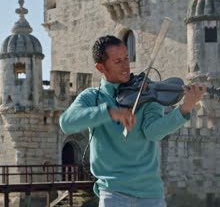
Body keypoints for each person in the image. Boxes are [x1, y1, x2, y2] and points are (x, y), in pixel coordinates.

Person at [59, 35, 206, 207]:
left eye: (127, 58)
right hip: (113, 194)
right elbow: (66, 123)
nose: (126, 66)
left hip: (151, 194)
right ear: (101, 67)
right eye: (118, 61)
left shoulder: (146, 91)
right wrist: (109, 112)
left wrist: (185, 108)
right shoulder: (92, 97)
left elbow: (153, 132)